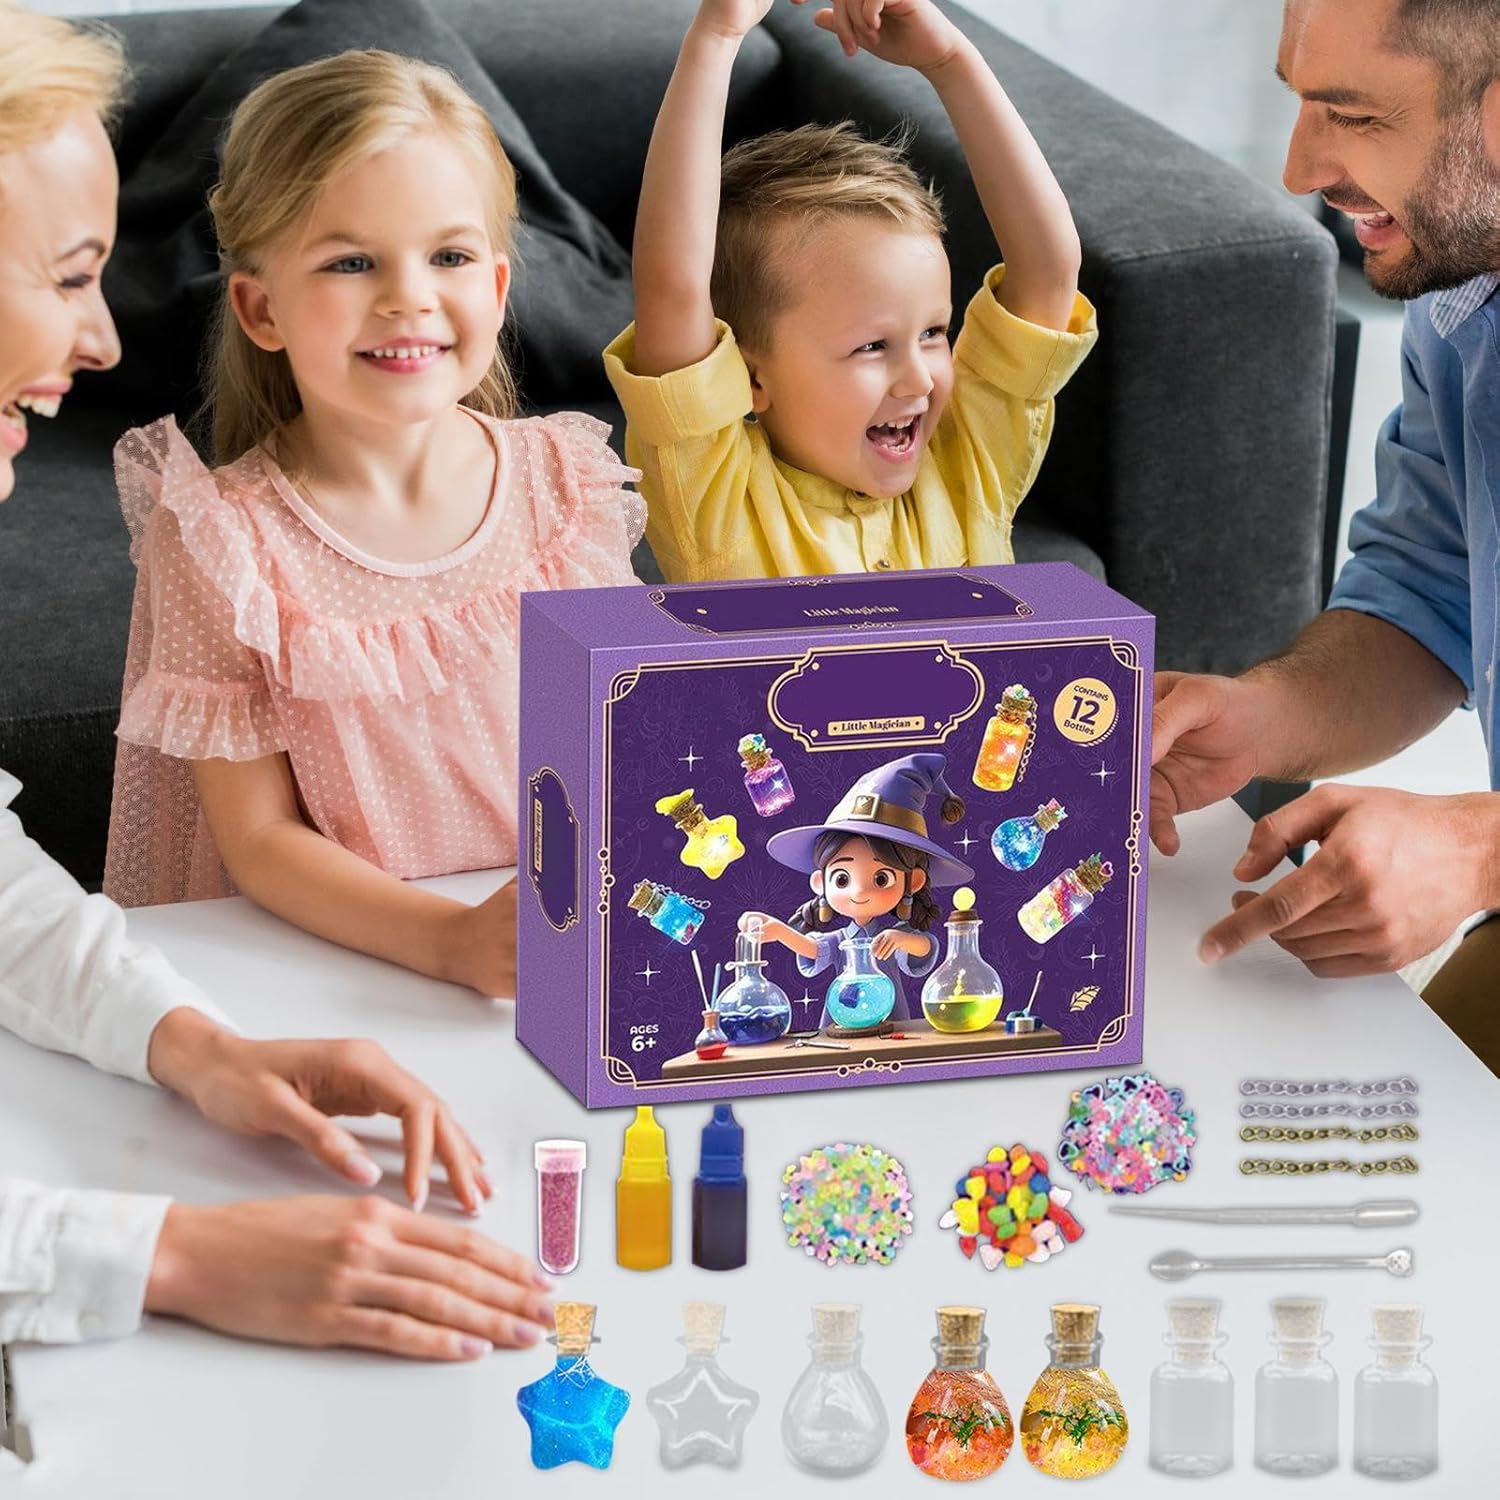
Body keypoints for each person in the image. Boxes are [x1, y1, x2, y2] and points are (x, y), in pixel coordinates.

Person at [1, 4, 551, 1360]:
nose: (104, 339)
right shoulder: (224, 532)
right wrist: (171, 1255)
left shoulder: (561, 481)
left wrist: (204, 1049)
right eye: (70, 275)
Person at [101, 51, 644, 1001]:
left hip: (564, 947)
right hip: (355, 961)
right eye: (352, 262)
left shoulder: (570, 486)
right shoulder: (222, 542)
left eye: (449, 257)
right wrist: (450, 942)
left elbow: (627, 740)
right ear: (260, 308)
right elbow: (258, 839)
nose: (408, 297)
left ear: (498, 287)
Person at [1151, 0, 1500, 1072]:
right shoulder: (1461, 305)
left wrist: (1476, 849)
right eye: (1301, 103)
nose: (1300, 169)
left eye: (1351, 115)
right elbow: (1430, 594)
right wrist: (1268, 715)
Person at [604, 0, 1096, 583]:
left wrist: (950, 62)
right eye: (872, 346)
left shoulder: (965, 466)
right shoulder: (719, 504)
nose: (919, 380)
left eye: (933, 333)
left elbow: (1050, 271)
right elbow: (672, 289)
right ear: (752, 378)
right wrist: (716, 37)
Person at [740, 753, 972, 1026]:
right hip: (842, 1023)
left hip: (891, 1024)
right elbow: (812, 948)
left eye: (881, 879)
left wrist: (901, 939)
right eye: (842, 879)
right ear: (820, 883)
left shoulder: (893, 935)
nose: (859, 891)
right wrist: (779, 931)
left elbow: (925, 948)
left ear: (913, 882)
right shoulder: (841, 940)